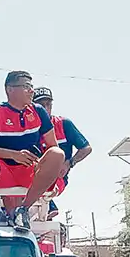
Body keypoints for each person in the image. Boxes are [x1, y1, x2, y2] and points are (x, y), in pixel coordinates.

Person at [0, 71, 66, 230]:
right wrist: (12, 155)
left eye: (31, 86)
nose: (31, 90)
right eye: (26, 86)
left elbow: (53, 146)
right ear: (9, 89)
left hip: (30, 170)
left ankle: (23, 210)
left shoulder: (38, 111)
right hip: (2, 171)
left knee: (57, 154)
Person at [32, 87, 92, 220]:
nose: (46, 108)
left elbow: (86, 148)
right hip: (32, 176)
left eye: (49, 104)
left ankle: (49, 208)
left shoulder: (63, 124)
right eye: (41, 105)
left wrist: (69, 163)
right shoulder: (28, 128)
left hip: (57, 177)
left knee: (45, 195)